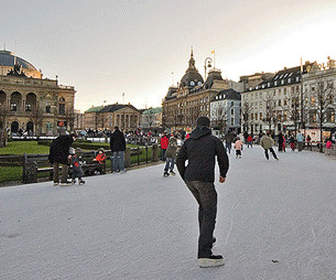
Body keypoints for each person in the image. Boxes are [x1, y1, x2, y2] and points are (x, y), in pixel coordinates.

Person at [176, 116, 229, 268]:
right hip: (204, 180)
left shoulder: (189, 140)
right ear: (208, 126)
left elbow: (179, 160)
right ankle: (205, 253)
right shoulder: (213, 140)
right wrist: (223, 174)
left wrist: (185, 175)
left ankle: (207, 237)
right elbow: (223, 158)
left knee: (203, 208)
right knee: (210, 211)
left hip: (190, 180)